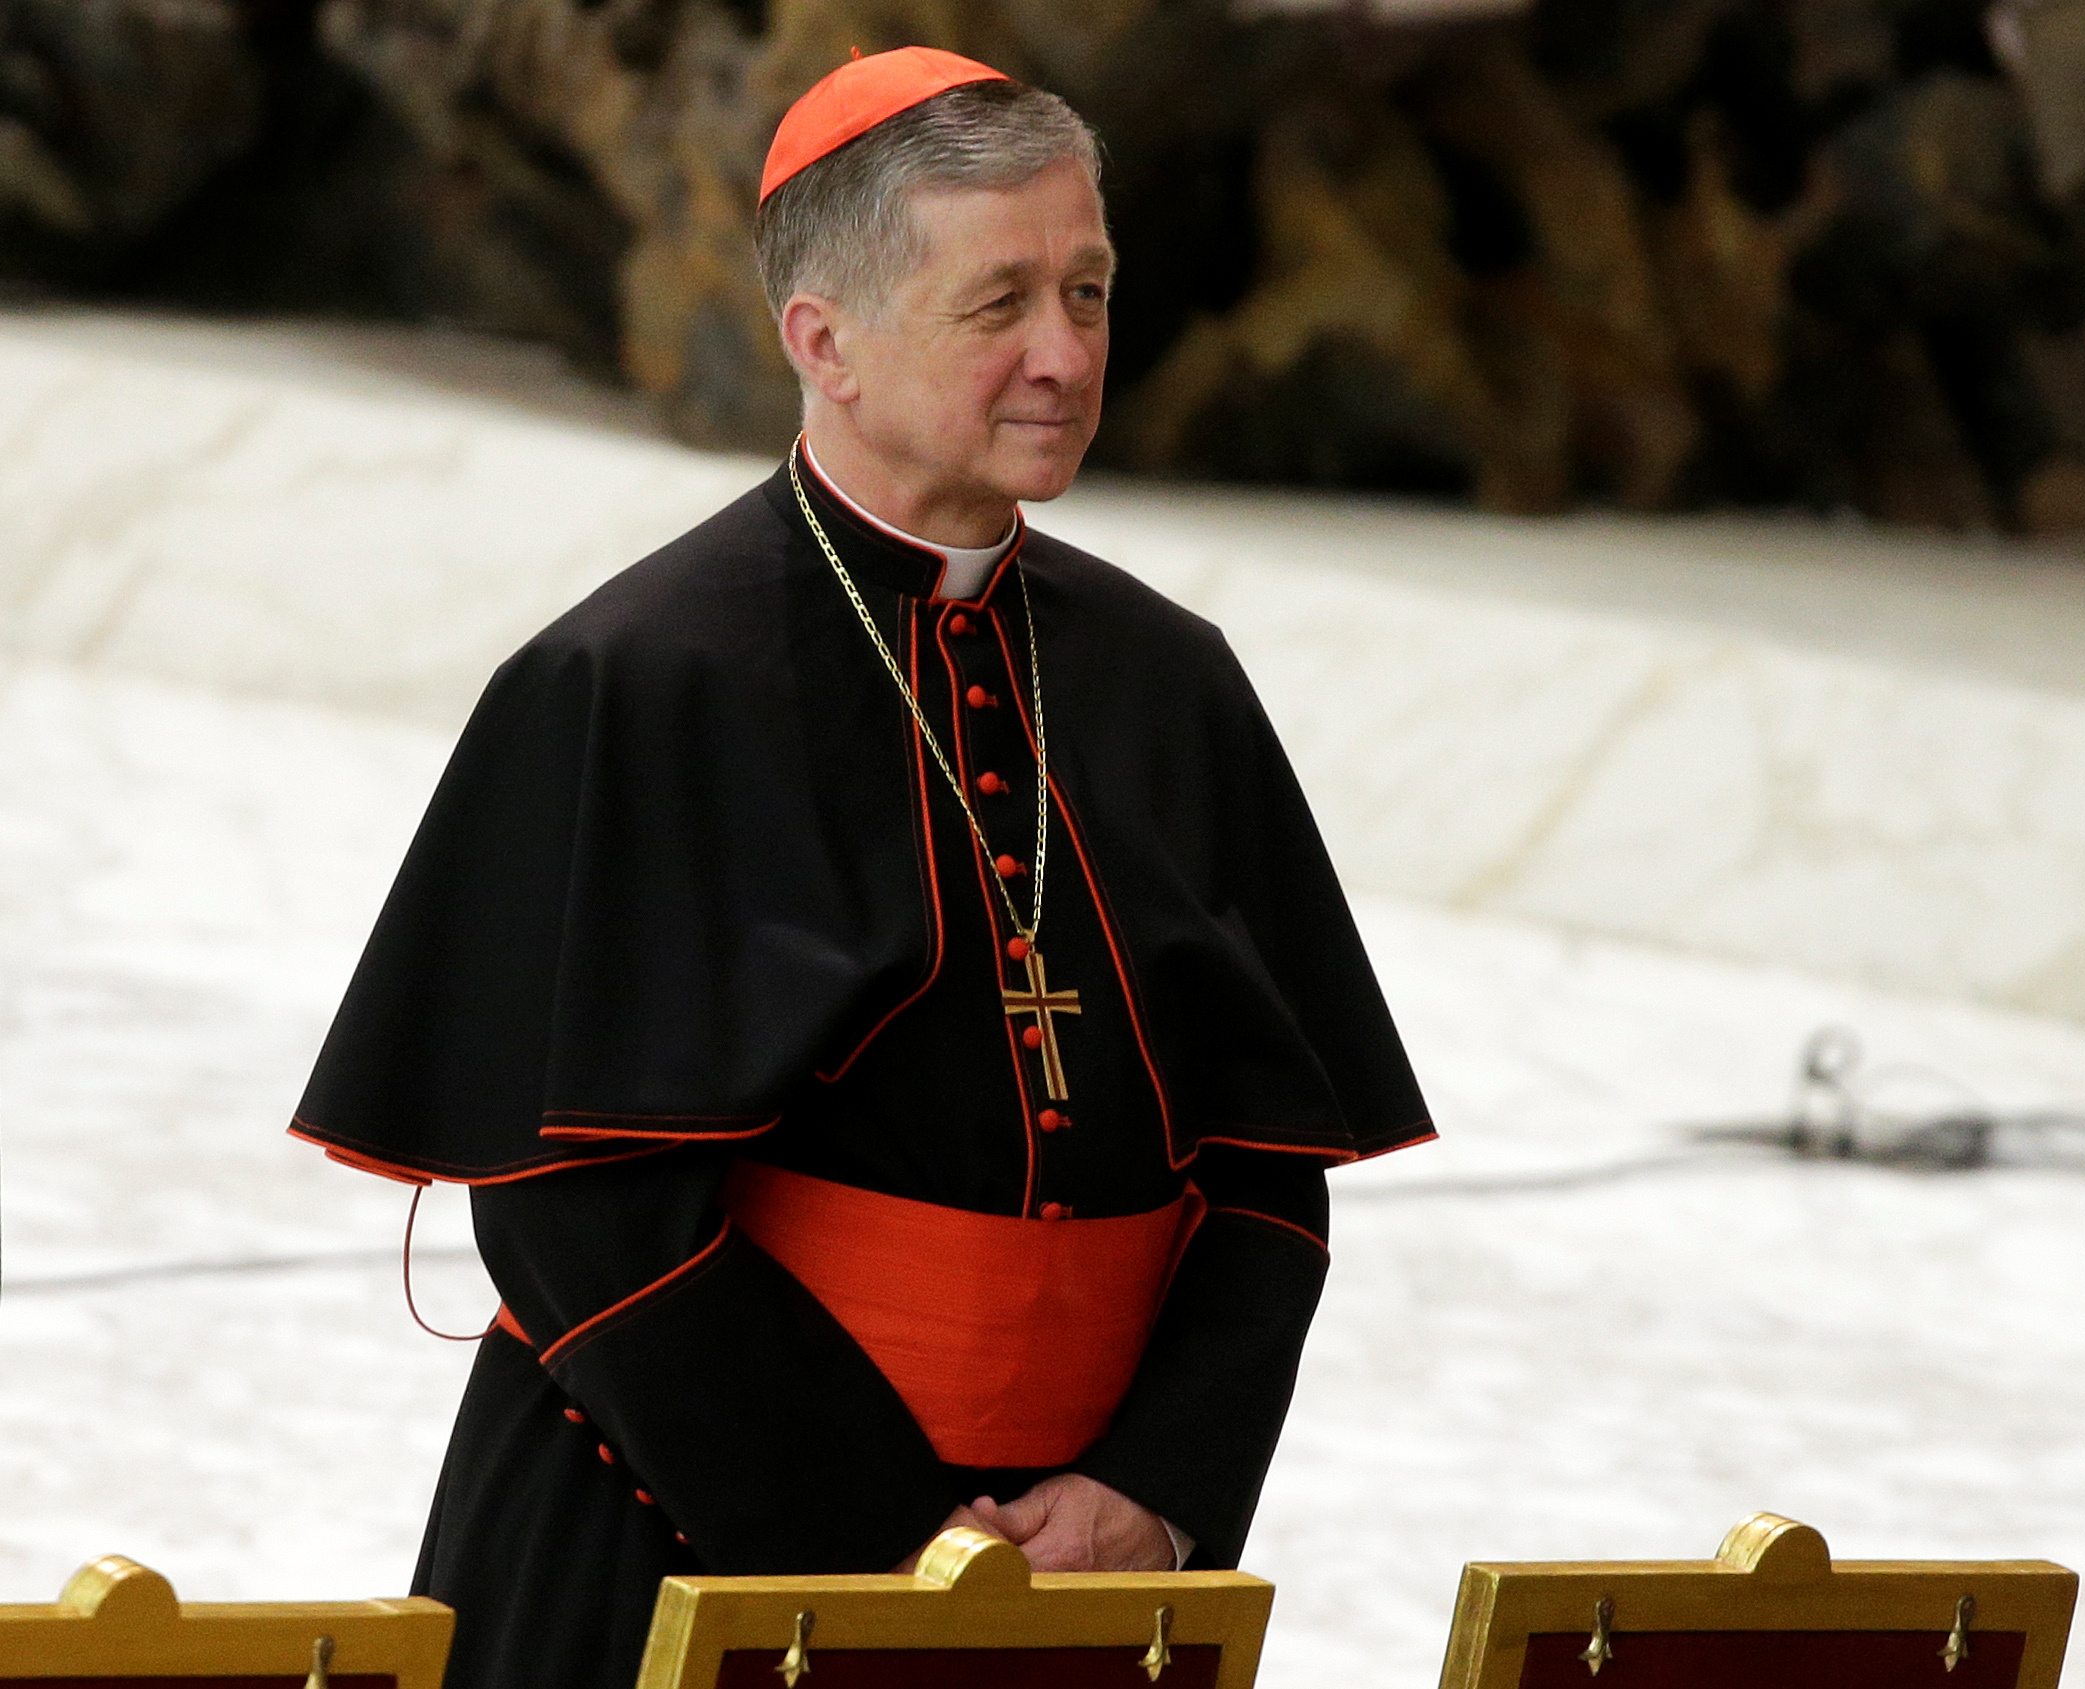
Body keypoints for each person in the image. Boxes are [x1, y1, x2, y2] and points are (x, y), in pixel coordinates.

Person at [287, 45, 1435, 1689]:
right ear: (819, 339)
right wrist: (894, 1554)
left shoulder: (1168, 680)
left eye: (1091, 290)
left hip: (1079, 1586)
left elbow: (1267, 1171)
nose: (1066, 354)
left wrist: (1151, 1499)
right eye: (1001, 305)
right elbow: (571, 1209)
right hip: (673, 1556)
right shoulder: (634, 680)